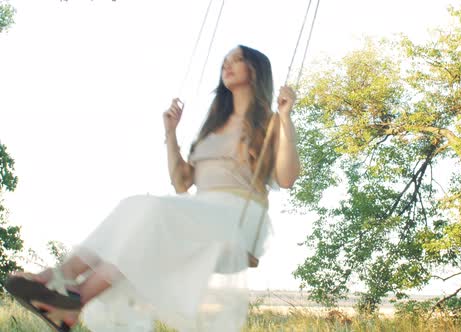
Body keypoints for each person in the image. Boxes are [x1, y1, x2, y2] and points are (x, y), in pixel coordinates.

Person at [5, 45, 300, 332]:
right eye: (225, 60)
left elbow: (286, 178)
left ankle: (70, 291)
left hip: (236, 219)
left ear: (256, 70)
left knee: (149, 211)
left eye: (237, 59)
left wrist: (285, 119)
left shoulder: (269, 122)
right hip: (199, 209)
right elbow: (183, 183)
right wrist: (170, 133)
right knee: (135, 211)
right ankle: (68, 290)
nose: (228, 64)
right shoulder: (213, 125)